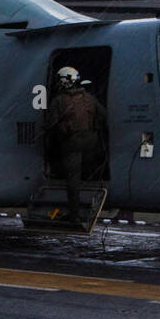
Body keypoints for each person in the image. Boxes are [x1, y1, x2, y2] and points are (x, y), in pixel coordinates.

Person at [45, 66, 107, 224]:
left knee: (73, 181)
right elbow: (103, 115)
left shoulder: (59, 100)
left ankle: (74, 214)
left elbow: (50, 125)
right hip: (91, 143)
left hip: (72, 144)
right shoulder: (89, 98)